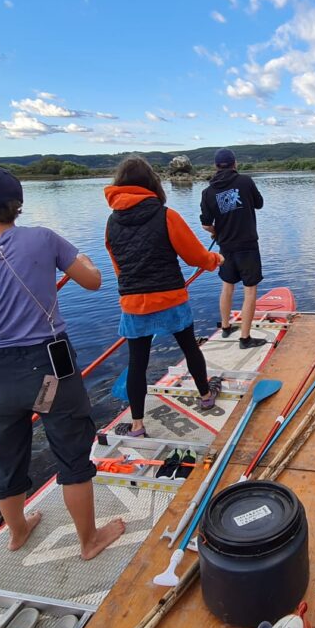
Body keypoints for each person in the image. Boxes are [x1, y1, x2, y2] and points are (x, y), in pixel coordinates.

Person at [0, 165, 124, 560]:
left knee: (6, 453)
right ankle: (88, 541)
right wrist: (83, 257)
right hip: (50, 363)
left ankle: (18, 531)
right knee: (71, 450)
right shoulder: (44, 238)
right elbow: (93, 281)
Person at [106, 157, 225, 437]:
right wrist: (214, 259)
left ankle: (137, 425)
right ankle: (206, 396)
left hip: (133, 304)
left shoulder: (111, 223)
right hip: (170, 298)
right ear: (152, 183)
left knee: (137, 362)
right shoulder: (166, 215)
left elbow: (118, 267)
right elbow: (194, 255)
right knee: (190, 349)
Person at [200, 148, 268, 349]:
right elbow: (259, 204)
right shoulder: (245, 181)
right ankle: (245, 338)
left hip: (225, 247)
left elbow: (205, 224)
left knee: (227, 286)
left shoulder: (208, 192)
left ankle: (226, 326)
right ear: (234, 163)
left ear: (216, 166)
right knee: (250, 291)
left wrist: (215, 232)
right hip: (247, 246)